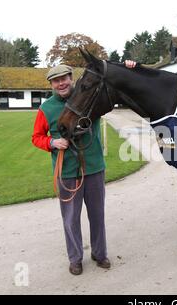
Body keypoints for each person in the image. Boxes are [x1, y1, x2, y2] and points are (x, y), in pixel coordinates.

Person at [32, 60, 136, 276]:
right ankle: (75, 258)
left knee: (97, 215)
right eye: (56, 81)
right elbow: (37, 137)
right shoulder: (46, 109)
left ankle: (99, 254)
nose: (61, 84)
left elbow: (115, 83)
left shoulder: (90, 98)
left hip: (94, 168)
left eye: (64, 79)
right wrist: (52, 143)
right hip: (67, 171)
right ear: (51, 85)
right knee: (71, 218)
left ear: (72, 78)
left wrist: (128, 67)